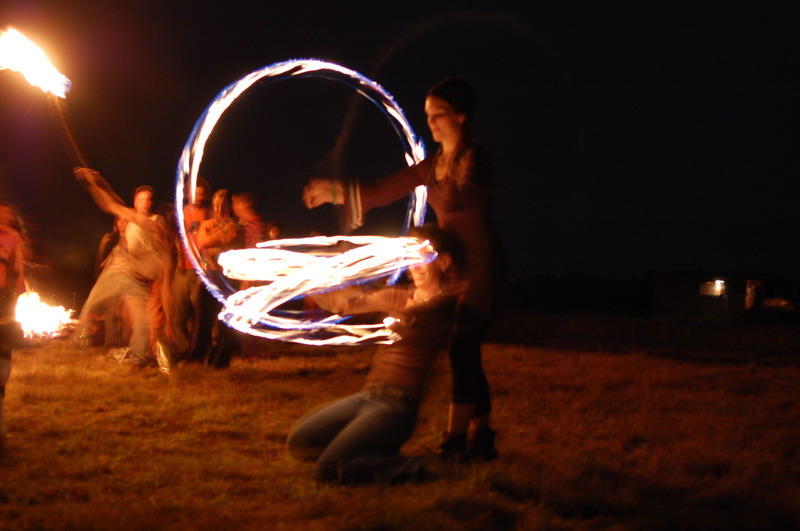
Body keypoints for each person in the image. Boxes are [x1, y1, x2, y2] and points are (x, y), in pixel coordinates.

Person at [303, 78, 504, 461]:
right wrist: (336, 191)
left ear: (460, 116)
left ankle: (456, 441)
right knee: (464, 352)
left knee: (462, 349)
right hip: (450, 265)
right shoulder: (431, 168)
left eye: (438, 115)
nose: (431, 123)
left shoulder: (474, 160)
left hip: (479, 268)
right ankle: (481, 436)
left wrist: (457, 165)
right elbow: (382, 189)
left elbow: (474, 186)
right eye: (427, 116)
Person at [286, 224, 459, 484]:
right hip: (368, 396)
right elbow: (343, 303)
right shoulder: (401, 296)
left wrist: (383, 299)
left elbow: (415, 314)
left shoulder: (446, 303)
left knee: (329, 469)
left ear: (444, 261)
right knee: (300, 441)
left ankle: (422, 467)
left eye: (422, 256)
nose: (415, 264)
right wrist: (305, 280)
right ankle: (367, 452)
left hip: (397, 407)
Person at [73, 168, 172, 368]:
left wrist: (169, 320)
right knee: (93, 303)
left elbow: (166, 286)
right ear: (136, 202)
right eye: (141, 199)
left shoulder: (165, 247)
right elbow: (110, 203)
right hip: (119, 270)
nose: (146, 203)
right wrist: (95, 183)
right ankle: (81, 341)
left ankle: (138, 359)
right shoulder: (136, 218)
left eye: (149, 199)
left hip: (139, 282)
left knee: (143, 322)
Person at [187, 189, 240, 368]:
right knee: (202, 320)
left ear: (229, 208)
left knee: (225, 322)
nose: (219, 209)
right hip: (209, 276)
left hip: (227, 278)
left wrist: (212, 239)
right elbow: (201, 244)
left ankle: (219, 361)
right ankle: (196, 358)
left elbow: (224, 240)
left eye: (223, 206)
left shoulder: (234, 224)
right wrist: (215, 239)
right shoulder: (206, 224)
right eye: (216, 206)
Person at [172, 178, 211, 359]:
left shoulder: (210, 214)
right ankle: (183, 346)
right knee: (178, 312)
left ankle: (200, 348)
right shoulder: (178, 213)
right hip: (182, 267)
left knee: (200, 313)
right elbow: (173, 236)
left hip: (200, 270)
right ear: (188, 194)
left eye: (203, 193)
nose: (200, 197)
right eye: (197, 192)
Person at [0, 204, 27, 447]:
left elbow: (18, 270)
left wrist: (17, 292)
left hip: (2, 299)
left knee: (2, 361)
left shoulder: (13, 238)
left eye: (6, 213)